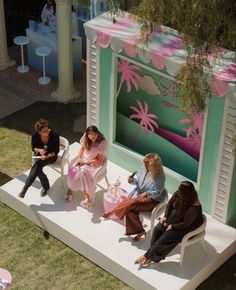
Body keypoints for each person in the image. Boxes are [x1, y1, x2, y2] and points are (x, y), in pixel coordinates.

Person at [135, 181, 203, 266]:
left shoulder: (194, 207)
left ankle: (147, 256)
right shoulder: (179, 193)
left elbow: (186, 223)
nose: (179, 191)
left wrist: (172, 226)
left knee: (166, 236)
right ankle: (151, 255)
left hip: (187, 226)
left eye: (181, 190)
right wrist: (165, 216)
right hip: (176, 217)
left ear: (187, 193)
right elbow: (170, 204)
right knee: (158, 229)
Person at [102, 153, 166, 241]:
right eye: (144, 162)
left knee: (132, 202)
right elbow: (139, 183)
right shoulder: (144, 168)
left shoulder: (160, 176)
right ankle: (140, 231)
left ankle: (113, 211)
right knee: (130, 209)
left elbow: (158, 192)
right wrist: (132, 180)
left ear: (153, 165)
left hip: (152, 200)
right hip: (139, 196)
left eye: (146, 163)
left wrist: (147, 194)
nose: (144, 165)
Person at [65, 126, 108, 207]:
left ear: (97, 133)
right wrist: (79, 159)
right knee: (73, 171)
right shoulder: (86, 139)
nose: (93, 137)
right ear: (87, 135)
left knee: (83, 172)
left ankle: (87, 197)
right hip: (83, 160)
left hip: (93, 164)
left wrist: (85, 162)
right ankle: (70, 190)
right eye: (90, 135)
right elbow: (81, 149)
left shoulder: (102, 143)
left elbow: (99, 160)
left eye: (95, 134)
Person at [18, 119, 60, 198]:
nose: (47, 132)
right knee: (38, 169)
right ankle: (45, 187)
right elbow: (33, 148)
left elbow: (56, 151)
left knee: (37, 165)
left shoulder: (54, 135)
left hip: (51, 156)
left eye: (47, 130)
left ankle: (25, 188)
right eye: (44, 131)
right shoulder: (35, 135)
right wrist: (39, 150)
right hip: (40, 155)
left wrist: (46, 156)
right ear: (39, 132)